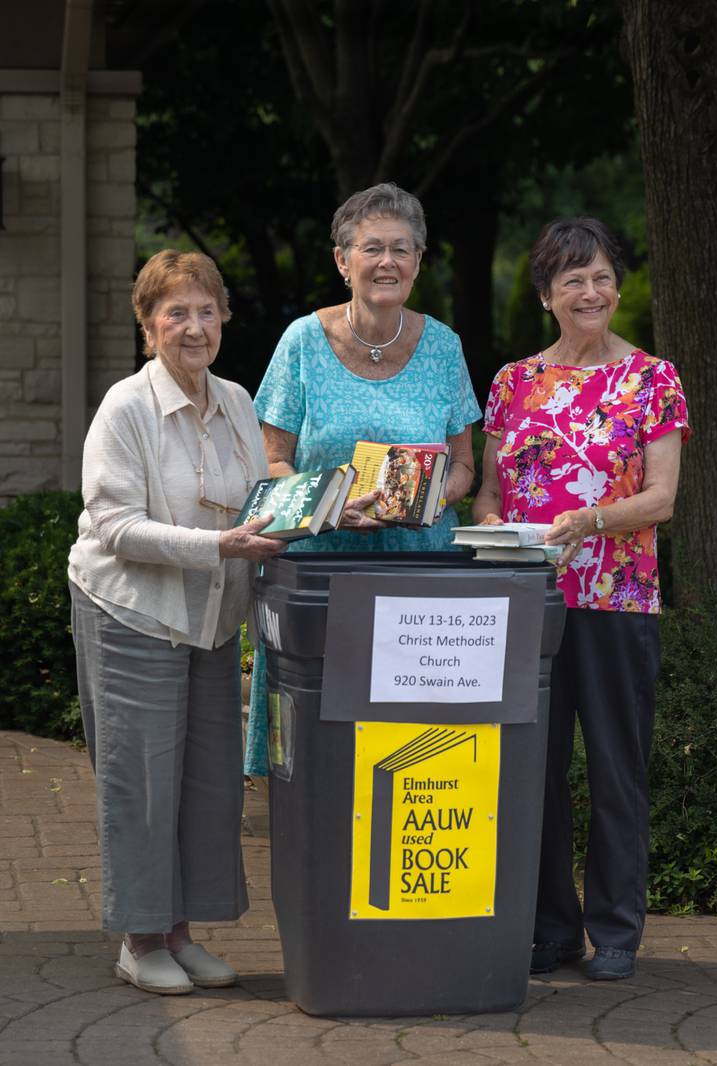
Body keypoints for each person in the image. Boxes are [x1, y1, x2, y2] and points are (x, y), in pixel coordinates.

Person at [473, 217, 690, 981]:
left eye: (600, 276)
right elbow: (491, 490)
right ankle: (552, 928)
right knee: (531, 769)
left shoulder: (653, 379)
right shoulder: (511, 383)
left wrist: (591, 519)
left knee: (614, 767)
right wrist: (494, 524)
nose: (590, 291)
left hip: (618, 601)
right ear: (546, 296)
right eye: (573, 280)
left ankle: (618, 929)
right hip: (528, 599)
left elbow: (661, 499)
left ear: (618, 286)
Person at [68, 250, 287, 995]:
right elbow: (113, 525)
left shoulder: (235, 399)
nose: (193, 327)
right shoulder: (125, 408)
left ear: (224, 317)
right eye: (175, 313)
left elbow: (258, 498)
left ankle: (183, 934)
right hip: (133, 611)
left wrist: (319, 514)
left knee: (206, 781)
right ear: (148, 325)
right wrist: (216, 546)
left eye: (206, 310)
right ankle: (139, 939)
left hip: (211, 620)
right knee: (143, 780)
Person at [244, 181, 482, 774]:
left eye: (402, 249)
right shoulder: (302, 341)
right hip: (322, 571)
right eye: (372, 247)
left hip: (422, 577)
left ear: (419, 263)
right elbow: (269, 462)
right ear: (342, 260)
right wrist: (330, 503)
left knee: (414, 754)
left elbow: (466, 467)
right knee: (327, 752)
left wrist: (428, 497)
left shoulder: (444, 347)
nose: (387, 262)